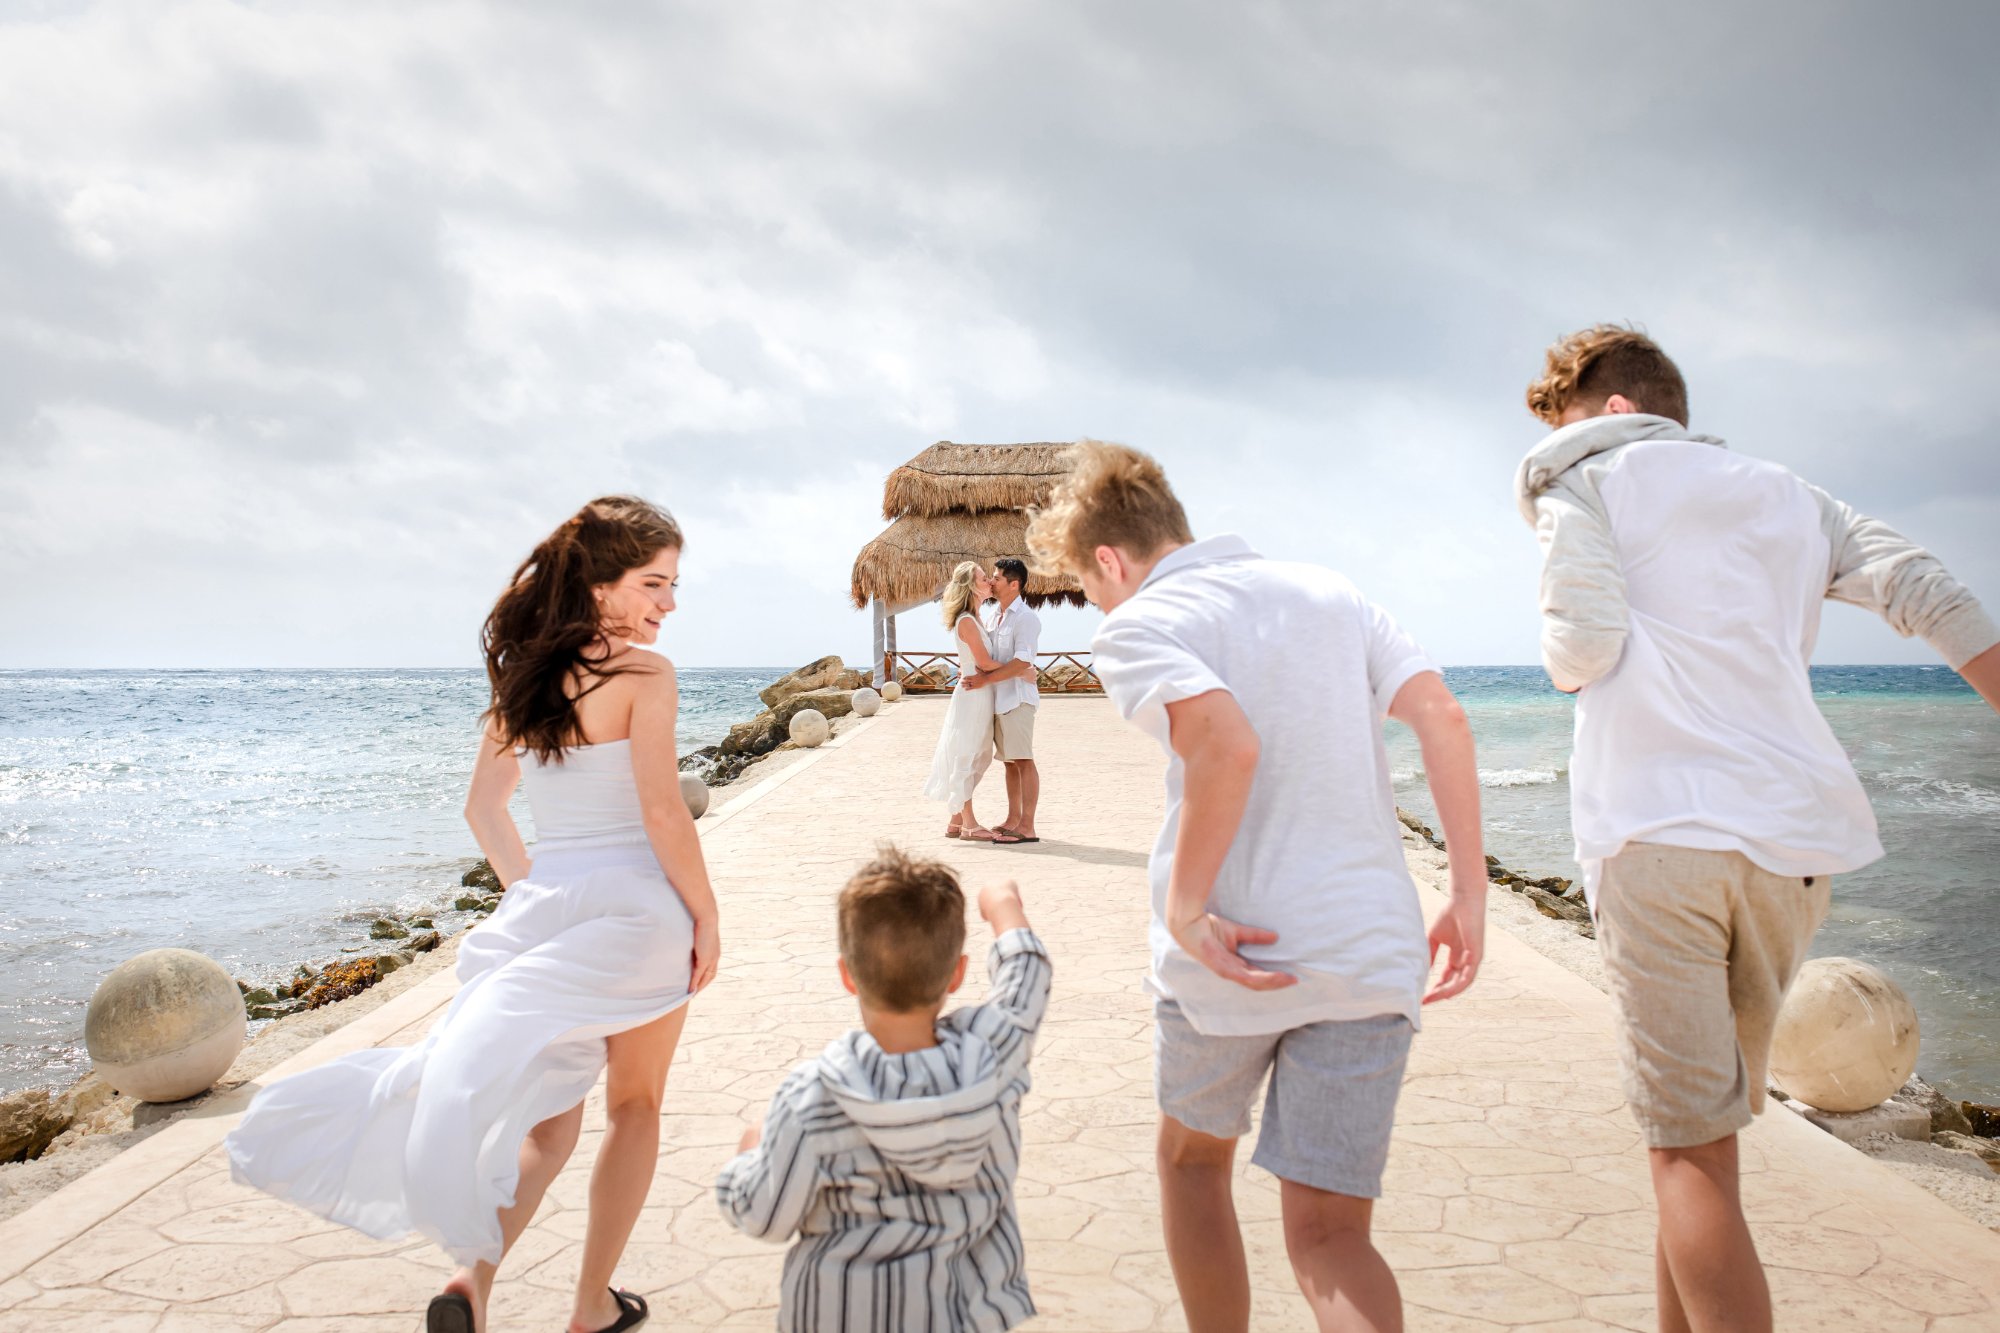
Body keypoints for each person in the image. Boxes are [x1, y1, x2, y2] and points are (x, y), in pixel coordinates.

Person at [1515, 325, 2000, 1333]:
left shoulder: (1583, 483)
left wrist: (1563, 653)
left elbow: (1582, 648)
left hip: (1658, 841)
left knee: (1682, 1150)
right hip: (1789, 851)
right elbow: (1932, 595)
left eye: (1565, 424)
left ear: (1609, 412)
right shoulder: (1794, 494)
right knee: (1703, 1145)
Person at [226, 495, 721, 1333]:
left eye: (673, 586)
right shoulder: (644, 677)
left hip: (548, 912)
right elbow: (664, 813)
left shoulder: (522, 680)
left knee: (551, 1123)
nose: (668, 603)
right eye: (653, 583)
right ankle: (588, 1308)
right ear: (600, 584)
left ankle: (471, 1281)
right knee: (632, 1108)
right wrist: (706, 918)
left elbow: (484, 811)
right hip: (640, 914)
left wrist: (538, 890)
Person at [1025, 440, 1488, 1333]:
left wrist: (1185, 905)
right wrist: (1468, 894)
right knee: (1328, 1235)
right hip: (1366, 947)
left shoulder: (1140, 621)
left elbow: (1227, 744)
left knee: (1194, 1165)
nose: (1097, 605)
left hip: (1228, 948)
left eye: (1089, 587)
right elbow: (1444, 715)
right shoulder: (1333, 591)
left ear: (1111, 562)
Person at [715, 848, 1052, 1332]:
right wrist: (1003, 906)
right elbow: (1027, 976)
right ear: (957, 973)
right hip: (965, 1315)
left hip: (841, 1314)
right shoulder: (994, 1054)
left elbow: (764, 1216)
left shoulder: (812, 1098)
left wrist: (750, 1154)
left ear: (847, 975)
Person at [923, 560, 1008, 841]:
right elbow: (984, 662)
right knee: (968, 754)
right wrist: (1021, 666)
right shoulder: (968, 621)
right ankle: (969, 824)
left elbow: (975, 661)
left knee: (977, 753)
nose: (989, 582)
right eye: (984, 578)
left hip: (979, 693)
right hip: (974, 696)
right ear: (971, 585)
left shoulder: (975, 618)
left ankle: (956, 820)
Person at [965, 556, 1043, 844]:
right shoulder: (994, 615)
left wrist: (985, 680)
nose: (992, 582)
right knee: (1010, 763)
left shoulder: (1026, 618)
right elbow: (994, 659)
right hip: (999, 701)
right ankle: (1013, 819)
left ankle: (1027, 826)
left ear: (1014, 584)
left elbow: (1023, 660)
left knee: (1023, 760)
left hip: (1018, 701)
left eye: (997, 578)